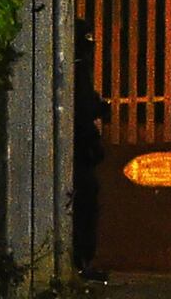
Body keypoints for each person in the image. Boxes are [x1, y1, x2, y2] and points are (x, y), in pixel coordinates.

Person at [73, 18, 110, 281]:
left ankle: (82, 260)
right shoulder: (77, 71)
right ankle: (81, 260)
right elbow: (84, 107)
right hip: (80, 149)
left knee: (85, 202)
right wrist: (99, 108)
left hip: (82, 148)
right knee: (84, 203)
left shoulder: (78, 70)